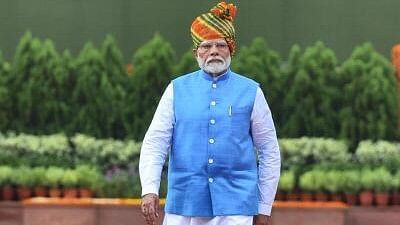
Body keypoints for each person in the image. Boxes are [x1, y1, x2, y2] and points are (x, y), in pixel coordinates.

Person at [139, 2, 281, 225]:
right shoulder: (176, 90)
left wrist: (264, 207)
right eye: (206, 46)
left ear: (231, 49)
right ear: (196, 52)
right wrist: (149, 189)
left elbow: (269, 151)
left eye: (220, 45)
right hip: (184, 202)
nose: (213, 51)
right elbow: (155, 143)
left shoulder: (251, 91)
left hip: (236, 205)